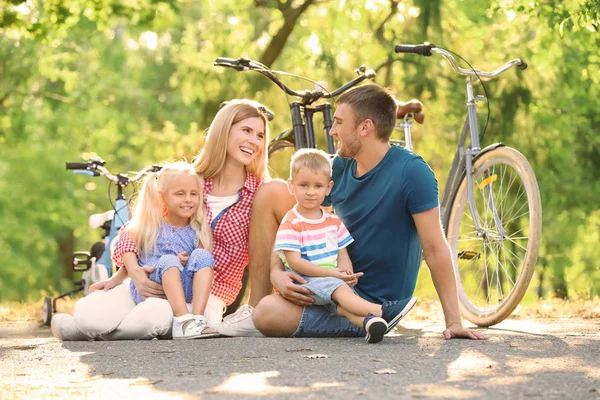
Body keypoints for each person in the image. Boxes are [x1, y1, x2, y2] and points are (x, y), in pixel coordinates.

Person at [251, 84, 487, 340]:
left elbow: (435, 248)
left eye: (339, 122)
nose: (332, 130)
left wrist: (454, 321)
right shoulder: (340, 167)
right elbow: (293, 217)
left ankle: (374, 318)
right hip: (331, 285)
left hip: (375, 303)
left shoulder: (412, 172)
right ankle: (252, 305)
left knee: (267, 314)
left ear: (365, 128)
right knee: (270, 193)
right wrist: (277, 272)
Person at [51, 99, 270, 340]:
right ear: (224, 130)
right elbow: (136, 229)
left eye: (260, 135)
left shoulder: (261, 195)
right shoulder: (189, 180)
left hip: (203, 300)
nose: (254, 141)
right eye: (246, 130)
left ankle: (92, 335)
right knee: (88, 312)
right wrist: (134, 272)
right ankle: (89, 327)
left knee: (155, 316)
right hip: (151, 279)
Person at [274, 148, 417, 343]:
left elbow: (342, 252)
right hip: (306, 282)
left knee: (343, 307)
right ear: (291, 186)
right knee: (340, 291)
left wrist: (346, 272)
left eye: (318, 186)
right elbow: (295, 262)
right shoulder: (291, 222)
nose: (311, 192)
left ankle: (370, 324)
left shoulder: (333, 221)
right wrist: (333, 275)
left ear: (328, 188)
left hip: (330, 283)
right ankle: (381, 311)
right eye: (303, 185)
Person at [93, 162, 218, 339]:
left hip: (183, 288)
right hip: (151, 286)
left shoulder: (197, 231)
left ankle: (197, 319)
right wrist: (113, 280)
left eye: (193, 194)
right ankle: (183, 321)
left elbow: (196, 265)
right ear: (162, 197)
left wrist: (185, 260)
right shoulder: (149, 226)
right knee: (168, 260)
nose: (188, 199)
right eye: (180, 194)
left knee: (203, 255)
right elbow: (129, 254)